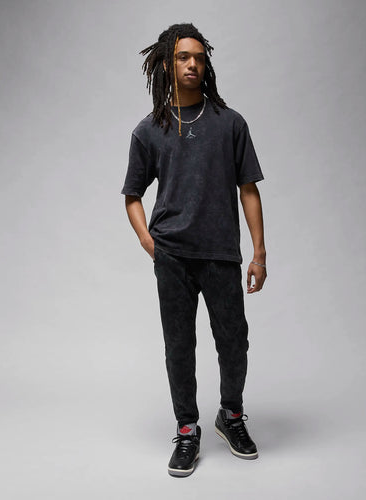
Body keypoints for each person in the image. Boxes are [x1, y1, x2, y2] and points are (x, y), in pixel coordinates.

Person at [121, 23, 267, 477]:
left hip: (221, 252)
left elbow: (248, 189)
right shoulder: (150, 130)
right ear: (168, 64)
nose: (192, 64)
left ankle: (231, 416)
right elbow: (132, 195)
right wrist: (150, 243)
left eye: (199, 58)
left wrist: (259, 253)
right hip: (173, 258)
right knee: (179, 346)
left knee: (234, 342)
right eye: (183, 57)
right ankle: (187, 429)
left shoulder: (230, 123)